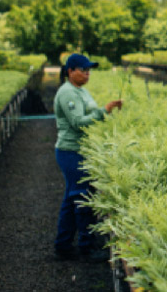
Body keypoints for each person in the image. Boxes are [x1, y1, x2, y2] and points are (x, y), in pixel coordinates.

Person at [53, 53, 122, 262]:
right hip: (71, 151)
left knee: (72, 198)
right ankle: (86, 247)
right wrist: (104, 111)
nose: (87, 73)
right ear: (70, 71)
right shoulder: (67, 93)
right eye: (83, 70)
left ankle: (63, 245)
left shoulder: (80, 90)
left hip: (80, 149)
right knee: (83, 197)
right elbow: (78, 123)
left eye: (89, 70)